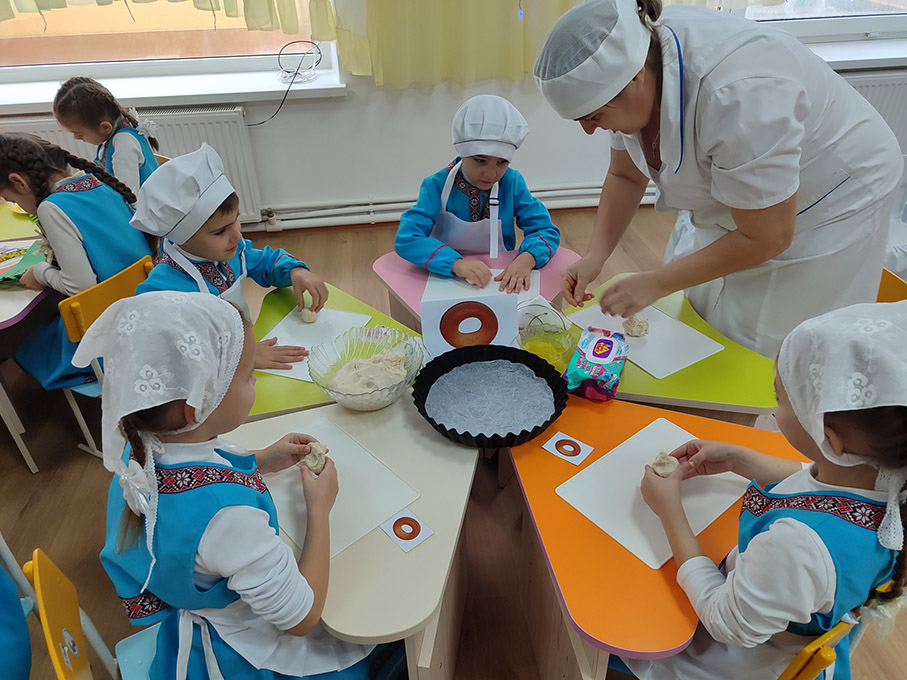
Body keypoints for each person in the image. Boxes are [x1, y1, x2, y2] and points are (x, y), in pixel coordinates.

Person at [534, 0, 902, 357]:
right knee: (704, 310)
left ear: (635, 77)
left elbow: (768, 235)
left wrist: (657, 282)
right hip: (751, 201)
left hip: (836, 188)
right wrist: (596, 255)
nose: (588, 130)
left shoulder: (739, 94)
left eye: (594, 117)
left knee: (770, 342)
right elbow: (625, 175)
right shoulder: (635, 70)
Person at [74, 291, 403, 679]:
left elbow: (199, 478)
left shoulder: (138, 448)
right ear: (197, 405)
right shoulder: (228, 518)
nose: (255, 381)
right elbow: (302, 618)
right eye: (247, 376)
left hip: (195, 600)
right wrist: (319, 509)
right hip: (244, 643)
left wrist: (261, 459)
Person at [630, 301, 907, 679]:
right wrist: (738, 458)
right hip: (779, 608)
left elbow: (725, 621)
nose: (774, 411)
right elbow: (812, 484)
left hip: (737, 659)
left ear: (829, 440)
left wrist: (669, 510)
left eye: (780, 400)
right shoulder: (886, 479)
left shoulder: (797, 545)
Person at [131, 144, 329, 371]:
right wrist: (242, 357)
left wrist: (295, 270)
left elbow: (266, 262)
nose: (237, 236)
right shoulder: (163, 290)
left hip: (246, 349)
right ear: (184, 239)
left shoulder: (230, 251)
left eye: (236, 220)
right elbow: (164, 353)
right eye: (220, 232)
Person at [0, 133, 150, 389]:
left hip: (109, 331)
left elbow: (80, 286)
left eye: (13, 201)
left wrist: (40, 272)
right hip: (144, 306)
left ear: (19, 182)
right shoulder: (97, 180)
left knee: (25, 349)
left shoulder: (51, 208)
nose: (20, 207)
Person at [394, 94, 561, 292]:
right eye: (480, 161)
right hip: (445, 276)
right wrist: (456, 264)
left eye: (502, 162)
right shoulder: (436, 185)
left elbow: (546, 230)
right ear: (462, 152)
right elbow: (407, 238)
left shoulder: (512, 183)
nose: (491, 174)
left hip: (498, 278)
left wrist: (527, 259)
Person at [53, 76, 160, 195]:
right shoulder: (116, 132)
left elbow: (129, 195)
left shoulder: (124, 144)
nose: (76, 138)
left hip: (144, 204)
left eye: (79, 133)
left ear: (105, 127)